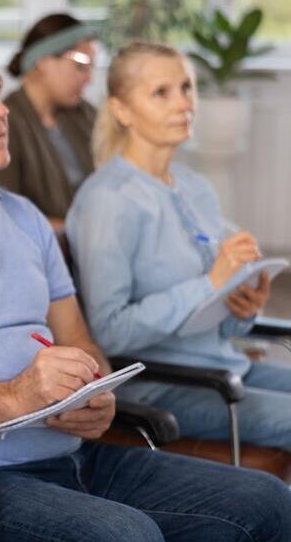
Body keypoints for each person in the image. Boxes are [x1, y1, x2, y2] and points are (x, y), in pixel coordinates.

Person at [0, 33, 291, 541]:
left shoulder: (23, 217)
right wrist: (16, 395)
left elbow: (84, 343)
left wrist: (95, 395)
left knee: (267, 501)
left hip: (74, 454)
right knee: (127, 536)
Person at [65, 41, 291, 451]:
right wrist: (210, 283)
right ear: (121, 110)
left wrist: (243, 306)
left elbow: (217, 318)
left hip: (224, 366)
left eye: (187, 88)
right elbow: (110, 332)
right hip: (164, 386)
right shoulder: (108, 200)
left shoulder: (194, 187)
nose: (184, 103)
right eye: (161, 93)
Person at [0, 13, 99, 229]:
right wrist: (81, 231)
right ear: (43, 62)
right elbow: (4, 216)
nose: (89, 78)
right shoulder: (3, 126)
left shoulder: (85, 114)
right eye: (80, 66)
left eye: (90, 68)